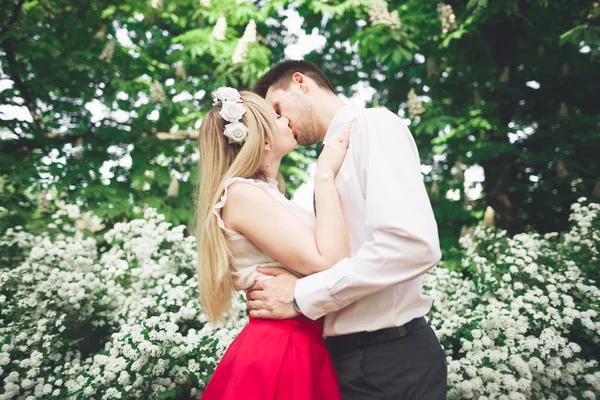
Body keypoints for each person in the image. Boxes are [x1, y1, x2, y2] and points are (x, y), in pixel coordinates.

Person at [248, 60, 447, 400]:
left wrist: (301, 296)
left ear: (300, 83)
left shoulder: (373, 126)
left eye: (278, 109)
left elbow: (412, 245)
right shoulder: (329, 161)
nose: (278, 124)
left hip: (390, 360)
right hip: (348, 360)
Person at [196, 88, 353, 400]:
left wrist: (297, 286)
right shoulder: (241, 194)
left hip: (298, 342)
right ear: (265, 141)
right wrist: (324, 175)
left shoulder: (264, 194)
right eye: (278, 117)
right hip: (281, 349)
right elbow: (330, 263)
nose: (287, 120)